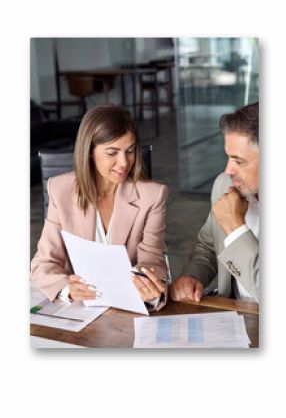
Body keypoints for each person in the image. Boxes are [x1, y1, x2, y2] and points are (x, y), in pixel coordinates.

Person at [31, 104, 168, 311]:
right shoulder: (60, 190)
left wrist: (147, 287)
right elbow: (43, 264)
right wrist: (67, 288)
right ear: (89, 152)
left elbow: (152, 260)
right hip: (79, 308)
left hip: (128, 306)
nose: (124, 163)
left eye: (130, 151)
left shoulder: (152, 196)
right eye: (112, 152)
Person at [170, 102, 259, 303]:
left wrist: (235, 228)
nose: (229, 170)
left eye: (239, 161)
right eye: (228, 157)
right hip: (233, 312)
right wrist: (193, 276)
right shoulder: (224, 185)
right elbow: (209, 246)